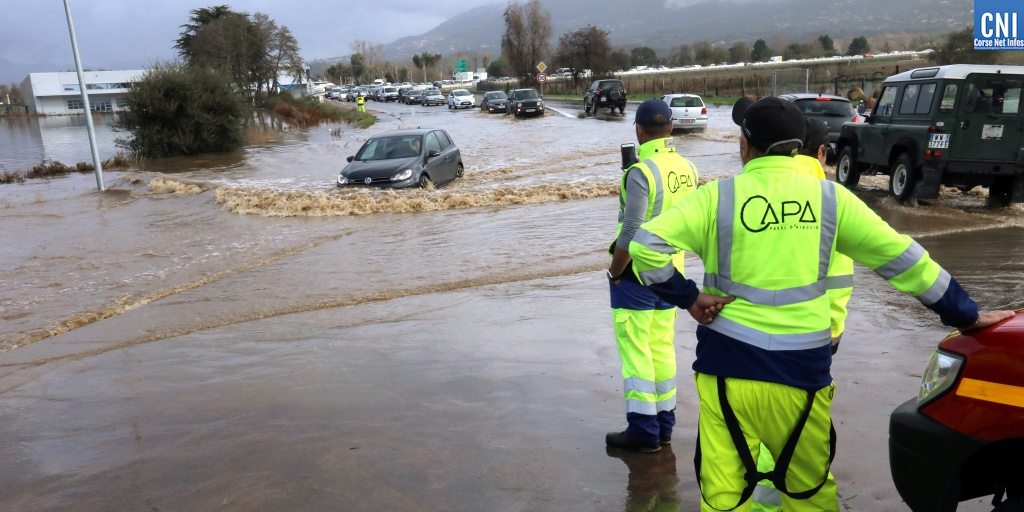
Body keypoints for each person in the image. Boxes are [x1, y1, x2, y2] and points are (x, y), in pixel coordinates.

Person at [628, 97, 1013, 511]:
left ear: (745, 145)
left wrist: (689, 297)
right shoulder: (832, 200)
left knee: (724, 494)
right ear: (802, 148)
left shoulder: (717, 198)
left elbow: (645, 247)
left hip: (726, 368)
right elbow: (905, 261)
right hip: (801, 374)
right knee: (808, 492)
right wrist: (967, 316)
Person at [605, 98, 701, 453]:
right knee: (662, 347)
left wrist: (615, 272)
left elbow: (630, 234)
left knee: (635, 350)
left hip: (636, 276)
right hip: (671, 274)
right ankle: (663, 426)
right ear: (671, 128)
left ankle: (643, 431)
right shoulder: (688, 168)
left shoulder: (640, 172)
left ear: (640, 130)